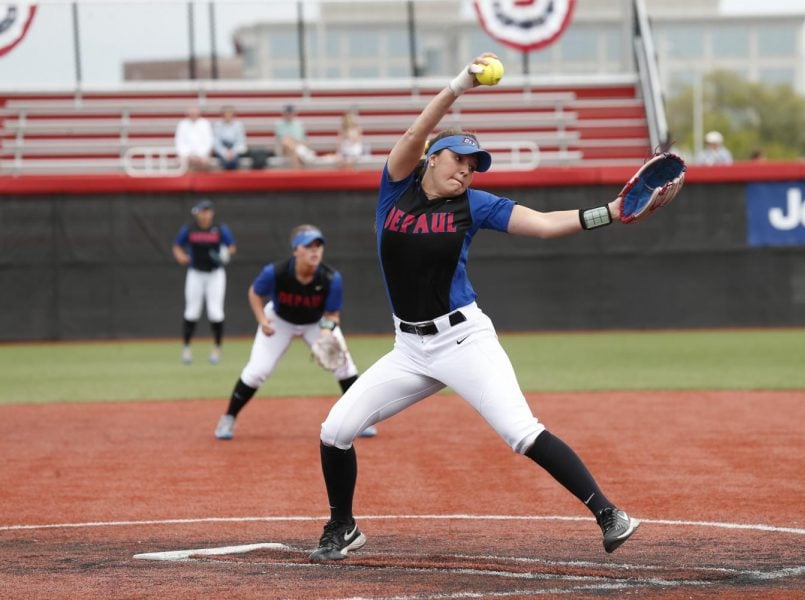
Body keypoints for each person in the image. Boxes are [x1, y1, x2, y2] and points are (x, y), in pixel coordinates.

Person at [308, 53, 647, 562]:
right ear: (432, 158)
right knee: (335, 431)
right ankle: (343, 527)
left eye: (473, 166)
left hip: (464, 340)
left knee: (520, 431)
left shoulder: (474, 205)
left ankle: (609, 514)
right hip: (409, 348)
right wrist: (459, 84)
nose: (466, 171)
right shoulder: (395, 190)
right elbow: (413, 135)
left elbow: (543, 223)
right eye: (459, 160)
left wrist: (610, 213)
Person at [214, 225, 377, 441]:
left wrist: (327, 333)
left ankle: (359, 420)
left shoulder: (331, 278)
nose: (315, 250)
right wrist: (262, 321)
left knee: (345, 367)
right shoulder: (276, 272)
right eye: (308, 245)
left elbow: (332, 314)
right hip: (280, 321)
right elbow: (255, 293)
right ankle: (229, 417)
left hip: (315, 322)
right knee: (257, 371)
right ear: (295, 250)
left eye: (318, 245)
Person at [172, 199, 236, 365]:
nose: (204, 214)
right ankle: (186, 348)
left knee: (215, 312)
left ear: (212, 212)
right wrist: (180, 256)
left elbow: (231, 246)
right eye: (201, 211)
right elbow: (177, 246)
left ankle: (217, 347)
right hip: (195, 273)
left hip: (215, 274)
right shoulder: (190, 228)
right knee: (191, 311)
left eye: (207, 211)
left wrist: (225, 253)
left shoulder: (220, 228)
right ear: (197, 213)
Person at [175, 106, 214, 171]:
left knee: (205, 161)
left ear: (198, 114)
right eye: (191, 113)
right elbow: (179, 141)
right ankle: (186, 181)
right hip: (186, 154)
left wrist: (200, 154)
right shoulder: (182, 124)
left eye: (194, 113)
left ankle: (203, 180)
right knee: (181, 161)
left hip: (202, 154)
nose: (193, 115)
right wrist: (188, 155)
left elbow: (208, 141)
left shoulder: (205, 123)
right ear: (188, 114)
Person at [212, 105, 248, 170]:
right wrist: (224, 152)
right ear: (222, 114)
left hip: (234, 148)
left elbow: (240, 141)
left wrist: (233, 152)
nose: (228, 115)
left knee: (233, 162)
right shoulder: (218, 125)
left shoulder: (238, 125)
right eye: (226, 113)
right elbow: (216, 142)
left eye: (230, 113)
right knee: (226, 162)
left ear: (233, 114)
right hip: (223, 149)